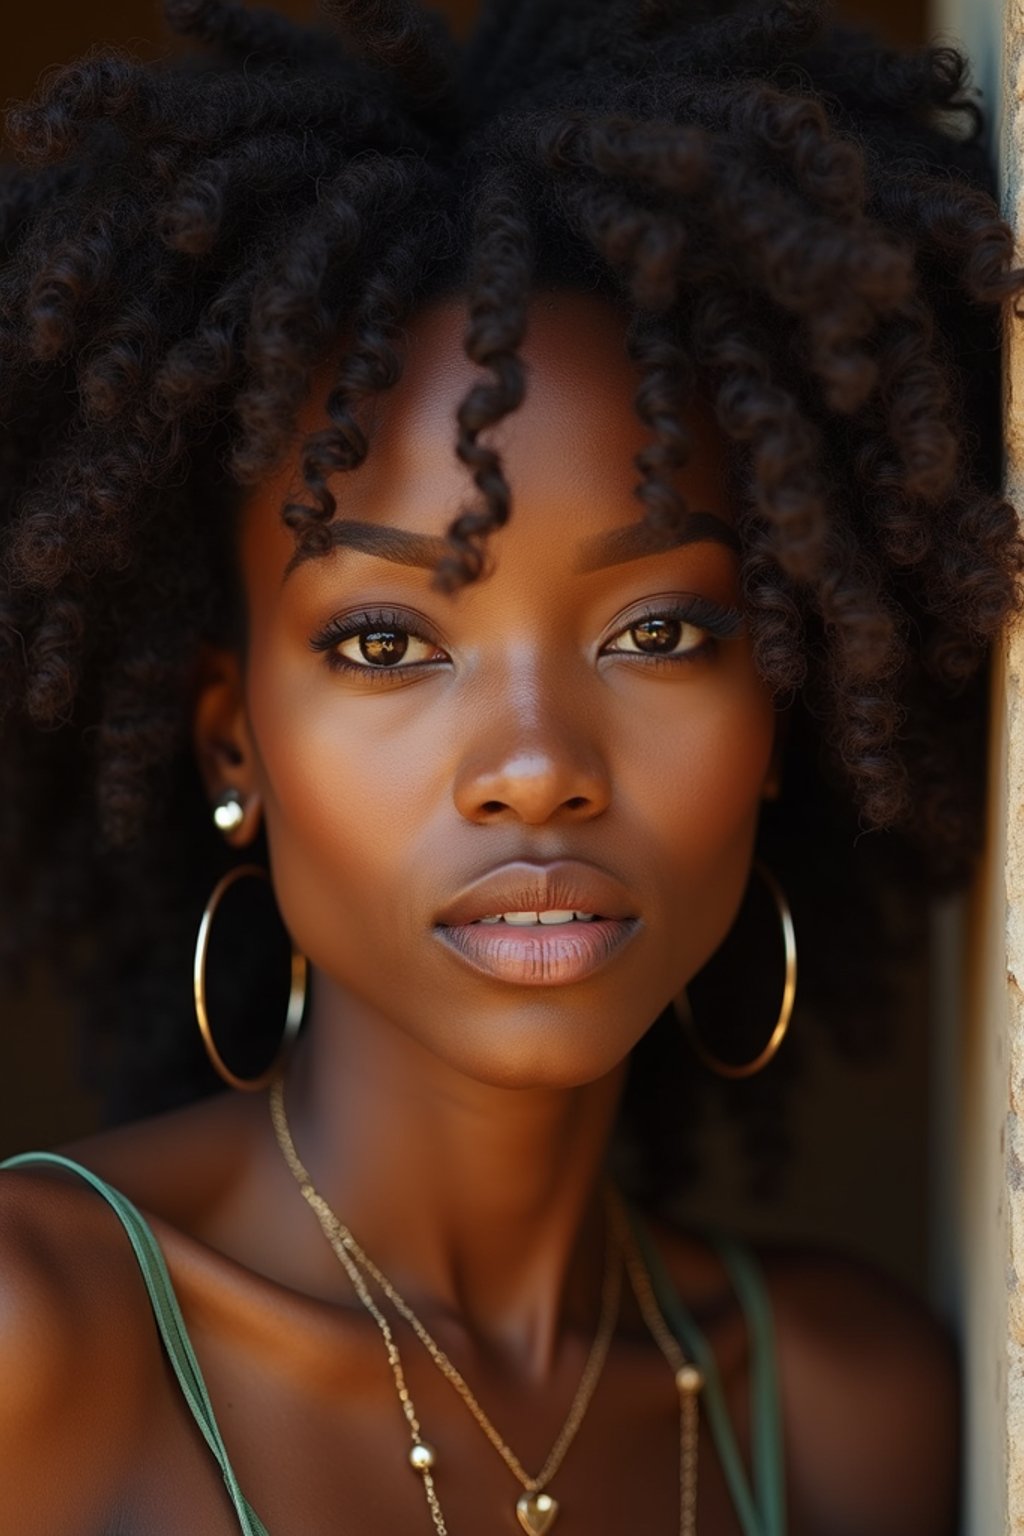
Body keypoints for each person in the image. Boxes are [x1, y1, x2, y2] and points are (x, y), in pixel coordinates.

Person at [0, 0, 1018, 1531]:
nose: (537, 769)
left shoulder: (843, 1414)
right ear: (235, 738)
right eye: (389, 644)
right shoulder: (38, 1346)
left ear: (782, 716)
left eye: (662, 631)